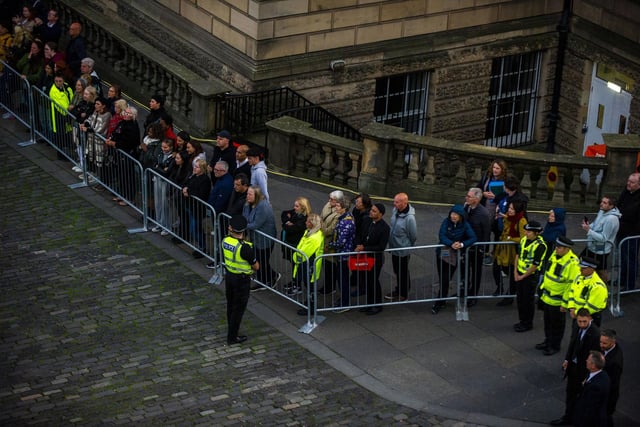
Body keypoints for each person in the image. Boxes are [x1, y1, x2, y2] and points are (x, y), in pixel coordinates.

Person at [550, 308, 601, 426]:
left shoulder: (595, 334)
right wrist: (567, 359)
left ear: (590, 319)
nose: (582, 324)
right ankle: (568, 417)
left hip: (584, 370)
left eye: (584, 321)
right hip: (573, 366)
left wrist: (588, 376)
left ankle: (578, 420)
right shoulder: (576, 326)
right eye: (579, 321)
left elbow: (594, 357)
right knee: (570, 393)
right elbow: (572, 344)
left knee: (582, 397)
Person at [536, 235, 580, 355]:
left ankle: (555, 346)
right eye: (556, 246)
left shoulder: (573, 263)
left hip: (558, 300)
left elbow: (571, 285)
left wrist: (565, 303)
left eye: (560, 247)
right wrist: (542, 288)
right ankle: (547, 341)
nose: (556, 249)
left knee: (557, 325)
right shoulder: (555, 255)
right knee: (547, 322)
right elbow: (548, 273)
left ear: (567, 249)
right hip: (547, 297)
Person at [432, 204, 477, 314]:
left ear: (461, 216)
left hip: (454, 255)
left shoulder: (465, 225)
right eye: (452, 213)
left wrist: (461, 244)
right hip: (443, 253)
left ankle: (440, 301)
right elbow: (441, 236)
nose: (453, 216)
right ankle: (440, 300)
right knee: (443, 278)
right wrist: (452, 244)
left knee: (446, 279)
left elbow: (473, 237)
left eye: (456, 214)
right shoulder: (446, 222)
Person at [222, 214, 259, 345]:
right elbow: (256, 266)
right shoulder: (245, 247)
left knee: (231, 306)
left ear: (230, 228)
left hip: (229, 277)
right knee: (238, 309)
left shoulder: (225, 241)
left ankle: (231, 331)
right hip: (241, 280)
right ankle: (232, 337)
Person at [511, 220, 547, 332]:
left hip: (530, 277)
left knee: (527, 301)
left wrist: (522, 276)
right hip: (520, 274)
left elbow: (535, 265)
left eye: (529, 232)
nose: (526, 233)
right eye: (526, 231)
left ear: (536, 233)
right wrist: (515, 272)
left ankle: (527, 323)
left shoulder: (541, 246)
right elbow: (518, 256)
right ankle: (522, 321)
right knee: (520, 300)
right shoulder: (523, 240)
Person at [354, 203, 389, 315]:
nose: (371, 212)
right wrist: (359, 244)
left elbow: (381, 246)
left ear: (380, 214)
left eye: (374, 211)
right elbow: (360, 233)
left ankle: (377, 305)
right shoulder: (367, 221)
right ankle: (369, 304)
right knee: (365, 280)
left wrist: (364, 247)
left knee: (373, 281)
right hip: (364, 256)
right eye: (371, 210)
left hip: (375, 259)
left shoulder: (385, 228)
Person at [243, 185, 280, 290]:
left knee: (262, 261)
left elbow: (255, 224)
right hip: (256, 238)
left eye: (250, 194)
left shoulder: (263, 206)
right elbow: (245, 216)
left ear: (257, 196)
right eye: (247, 193)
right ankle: (268, 276)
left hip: (265, 240)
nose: (247, 196)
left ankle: (267, 279)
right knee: (259, 259)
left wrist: (242, 225)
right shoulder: (248, 204)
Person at [385, 193, 417, 302]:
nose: (394, 204)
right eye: (394, 201)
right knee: (397, 270)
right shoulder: (395, 211)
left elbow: (413, 236)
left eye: (397, 202)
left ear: (404, 203)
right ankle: (400, 289)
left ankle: (403, 293)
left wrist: (406, 246)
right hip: (394, 247)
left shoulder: (410, 219)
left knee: (402, 271)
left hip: (403, 249)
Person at [105, 106, 140, 205]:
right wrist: (111, 140)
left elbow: (130, 142)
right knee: (121, 175)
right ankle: (121, 194)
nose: (126, 114)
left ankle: (129, 198)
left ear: (133, 116)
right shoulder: (122, 123)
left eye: (129, 113)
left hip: (127, 154)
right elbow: (116, 133)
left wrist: (115, 144)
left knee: (128, 177)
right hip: (118, 153)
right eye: (126, 112)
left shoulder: (133, 126)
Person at [581, 196, 620, 282]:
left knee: (601, 270)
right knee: (583, 263)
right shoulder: (601, 211)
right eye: (602, 201)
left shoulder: (611, 219)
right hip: (592, 246)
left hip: (601, 250)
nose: (601, 204)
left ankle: (604, 289)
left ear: (611, 206)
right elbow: (595, 224)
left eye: (605, 203)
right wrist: (588, 226)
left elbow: (604, 238)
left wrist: (588, 230)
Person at [493, 200, 527, 303]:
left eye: (512, 209)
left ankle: (510, 295)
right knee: (496, 267)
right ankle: (500, 287)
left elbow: (523, 238)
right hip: (503, 248)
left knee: (512, 273)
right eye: (509, 208)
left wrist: (510, 239)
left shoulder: (522, 221)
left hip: (513, 250)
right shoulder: (508, 217)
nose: (509, 210)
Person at [463, 187, 491, 305]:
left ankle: (473, 295)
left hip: (477, 247)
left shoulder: (484, 213)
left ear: (476, 199)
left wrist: (483, 248)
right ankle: (464, 290)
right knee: (464, 270)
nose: (466, 198)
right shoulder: (466, 207)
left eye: (469, 196)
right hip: (465, 245)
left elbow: (486, 232)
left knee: (476, 272)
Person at [288, 213, 324, 301]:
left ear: (313, 224)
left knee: (310, 286)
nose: (306, 222)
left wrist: (295, 257)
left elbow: (304, 253)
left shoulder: (314, 237)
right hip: (306, 263)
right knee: (308, 284)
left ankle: (311, 306)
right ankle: (309, 303)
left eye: (308, 221)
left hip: (309, 264)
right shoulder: (309, 232)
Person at [329, 198, 356, 313]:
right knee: (341, 278)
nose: (336, 207)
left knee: (342, 279)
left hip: (344, 255)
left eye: (338, 206)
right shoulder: (345, 218)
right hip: (342, 254)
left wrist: (329, 245)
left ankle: (345, 303)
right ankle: (343, 299)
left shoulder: (346, 222)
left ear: (344, 208)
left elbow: (340, 242)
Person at [182, 158, 212, 258]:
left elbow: (201, 194)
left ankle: (202, 247)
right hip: (190, 206)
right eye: (194, 166)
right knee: (194, 228)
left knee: (195, 229)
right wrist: (185, 189)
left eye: (197, 167)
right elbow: (186, 183)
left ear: (202, 169)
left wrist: (188, 191)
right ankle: (201, 246)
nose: (195, 168)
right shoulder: (193, 176)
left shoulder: (205, 180)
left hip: (197, 208)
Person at [566, 256, 608, 327]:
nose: (580, 269)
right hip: (578, 315)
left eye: (583, 268)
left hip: (589, 317)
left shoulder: (597, 286)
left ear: (592, 269)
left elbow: (592, 306)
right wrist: (571, 307)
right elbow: (572, 291)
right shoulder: (579, 277)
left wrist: (575, 313)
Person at [572, 351, 610, 427]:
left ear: (593, 366)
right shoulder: (601, 374)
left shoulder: (595, 387)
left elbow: (590, 408)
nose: (586, 360)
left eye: (588, 360)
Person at [616, 173, 640, 291]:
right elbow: (619, 204)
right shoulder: (626, 191)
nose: (628, 184)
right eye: (628, 181)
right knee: (621, 256)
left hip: (632, 233)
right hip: (621, 230)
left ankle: (630, 285)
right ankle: (621, 278)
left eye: (632, 182)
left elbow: (633, 214)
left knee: (630, 259)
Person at [318, 190, 344, 295]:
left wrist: (320, 226)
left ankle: (330, 287)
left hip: (331, 242)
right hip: (323, 241)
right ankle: (328, 285)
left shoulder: (338, 213)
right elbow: (321, 216)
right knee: (325, 265)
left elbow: (330, 230)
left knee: (331, 266)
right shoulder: (328, 205)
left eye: (332, 199)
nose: (329, 201)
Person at [150, 138, 175, 236]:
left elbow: (166, 172)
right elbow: (155, 166)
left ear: (171, 147)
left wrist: (158, 168)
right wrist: (159, 168)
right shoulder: (160, 154)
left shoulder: (172, 157)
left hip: (165, 182)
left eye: (166, 147)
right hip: (157, 180)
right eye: (162, 147)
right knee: (158, 203)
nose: (163, 149)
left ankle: (166, 226)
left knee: (165, 205)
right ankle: (158, 223)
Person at [600, 329, 623, 427]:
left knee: (605, 417)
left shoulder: (615, 362)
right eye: (600, 342)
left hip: (608, 395)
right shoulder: (609, 349)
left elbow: (612, 383)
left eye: (604, 343)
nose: (601, 345)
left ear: (613, 342)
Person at [281, 197, 311, 264]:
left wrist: (285, 224)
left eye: (297, 206)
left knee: (295, 264)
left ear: (303, 208)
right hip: (290, 243)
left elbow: (290, 229)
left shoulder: (304, 220)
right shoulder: (296, 212)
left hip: (295, 245)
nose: (294, 208)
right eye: (294, 205)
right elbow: (284, 213)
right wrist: (288, 222)